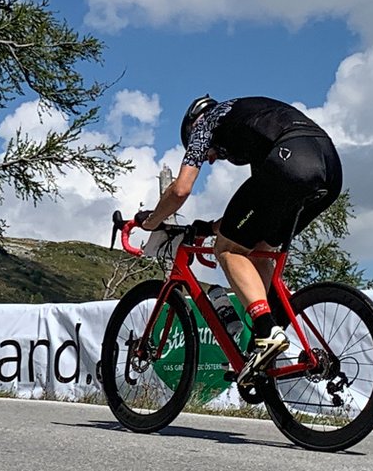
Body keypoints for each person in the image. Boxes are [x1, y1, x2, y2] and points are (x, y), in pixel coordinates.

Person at [138, 95, 343, 379]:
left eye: (204, 152)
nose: (210, 158)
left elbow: (180, 190)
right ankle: (267, 337)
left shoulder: (205, 124)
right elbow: (258, 209)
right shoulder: (249, 123)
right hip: (328, 166)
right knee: (259, 247)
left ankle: (266, 330)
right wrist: (210, 227)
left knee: (228, 250)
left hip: (290, 160)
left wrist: (151, 222)